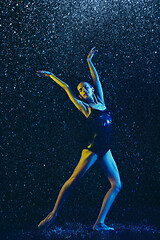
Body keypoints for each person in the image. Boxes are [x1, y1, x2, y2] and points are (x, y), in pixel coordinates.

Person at [36, 47, 121, 231]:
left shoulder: (101, 101)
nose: (82, 91)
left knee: (116, 185)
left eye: (84, 88)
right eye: (80, 90)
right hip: (91, 150)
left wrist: (89, 61)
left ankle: (99, 223)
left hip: (105, 150)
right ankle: (53, 213)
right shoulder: (85, 107)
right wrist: (51, 76)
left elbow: (96, 79)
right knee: (73, 179)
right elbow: (67, 87)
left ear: (91, 89)